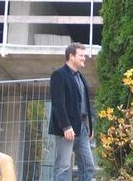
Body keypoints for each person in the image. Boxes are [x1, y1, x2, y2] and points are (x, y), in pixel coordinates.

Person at [49, 43, 95, 181]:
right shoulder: (59, 75)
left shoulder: (80, 77)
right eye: (81, 55)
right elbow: (58, 104)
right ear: (71, 56)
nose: (84, 58)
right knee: (63, 166)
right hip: (67, 129)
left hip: (82, 127)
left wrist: (89, 127)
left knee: (88, 165)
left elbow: (85, 104)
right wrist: (66, 126)